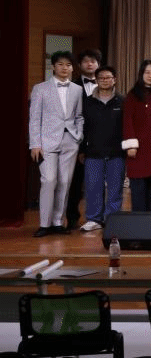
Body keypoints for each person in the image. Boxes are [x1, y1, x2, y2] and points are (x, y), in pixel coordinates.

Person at [28, 50, 83, 236]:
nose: (64, 68)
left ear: (72, 68)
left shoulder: (77, 90)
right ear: (53, 66)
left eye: (68, 65)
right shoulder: (40, 88)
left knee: (64, 182)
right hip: (46, 142)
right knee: (49, 180)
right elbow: (34, 119)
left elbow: (79, 116)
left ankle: (58, 222)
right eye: (60, 64)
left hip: (70, 140)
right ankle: (44, 224)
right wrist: (35, 144)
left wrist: (79, 135)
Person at [79, 63, 124, 233]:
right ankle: (94, 219)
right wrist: (82, 149)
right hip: (93, 152)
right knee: (93, 187)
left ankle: (112, 218)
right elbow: (83, 127)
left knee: (115, 187)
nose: (105, 80)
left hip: (117, 152)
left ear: (114, 80)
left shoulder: (122, 101)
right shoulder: (88, 102)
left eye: (108, 77)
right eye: (101, 78)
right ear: (96, 80)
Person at [122, 59, 151, 213]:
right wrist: (130, 144)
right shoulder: (133, 95)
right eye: (147, 72)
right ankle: (138, 222)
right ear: (141, 74)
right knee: (138, 188)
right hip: (138, 150)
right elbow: (127, 121)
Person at [63, 48, 101, 229]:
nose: (89, 64)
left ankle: (97, 218)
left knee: (98, 182)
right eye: (86, 61)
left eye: (93, 61)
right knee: (74, 183)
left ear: (98, 64)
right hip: (76, 140)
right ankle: (71, 218)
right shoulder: (72, 87)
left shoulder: (106, 84)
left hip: (99, 140)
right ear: (79, 65)